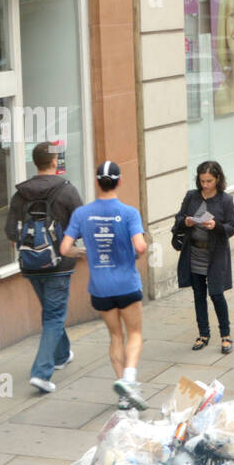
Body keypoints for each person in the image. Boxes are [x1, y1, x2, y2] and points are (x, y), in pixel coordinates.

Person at [60, 161, 150, 411]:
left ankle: (123, 395)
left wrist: (82, 252)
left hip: (100, 288)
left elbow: (64, 248)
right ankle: (130, 380)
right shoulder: (129, 213)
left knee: (115, 336)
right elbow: (140, 246)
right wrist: (135, 256)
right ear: (119, 181)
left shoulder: (82, 214)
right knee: (135, 333)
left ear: (97, 182)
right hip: (127, 284)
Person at [5, 142, 84, 394]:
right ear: (54, 162)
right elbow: (81, 225)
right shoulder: (67, 191)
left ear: (35, 162)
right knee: (54, 314)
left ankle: (61, 355)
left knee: (51, 312)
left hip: (30, 266)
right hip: (59, 263)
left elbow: (10, 232)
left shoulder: (20, 194)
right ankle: (41, 372)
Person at [172, 160, 234, 354]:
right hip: (194, 252)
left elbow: (232, 227)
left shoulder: (225, 200)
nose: (205, 185)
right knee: (198, 294)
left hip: (215, 254)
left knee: (217, 294)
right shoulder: (191, 197)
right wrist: (185, 221)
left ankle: (225, 335)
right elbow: (178, 219)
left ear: (218, 179)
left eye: (209, 181)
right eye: (202, 181)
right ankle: (203, 333)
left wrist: (216, 226)